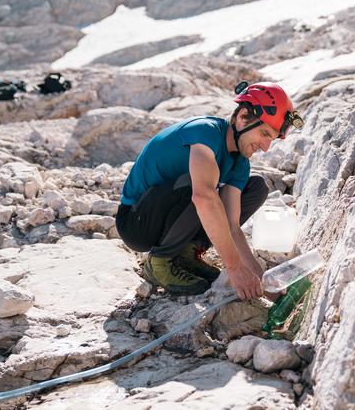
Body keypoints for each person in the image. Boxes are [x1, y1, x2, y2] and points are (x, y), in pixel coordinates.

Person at [115, 81, 304, 301]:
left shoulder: (239, 163)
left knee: (255, 188)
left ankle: (187, 252)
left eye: (270, 139)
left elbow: (232, 227)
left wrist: (262, 282)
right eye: (264, 134)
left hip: (170, 216)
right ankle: (160, 262)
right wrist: (234, 268)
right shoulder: (205, 132)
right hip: (137, 223)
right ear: (243, 117)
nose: (265, 147)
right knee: (202, 188)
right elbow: (203, 197)